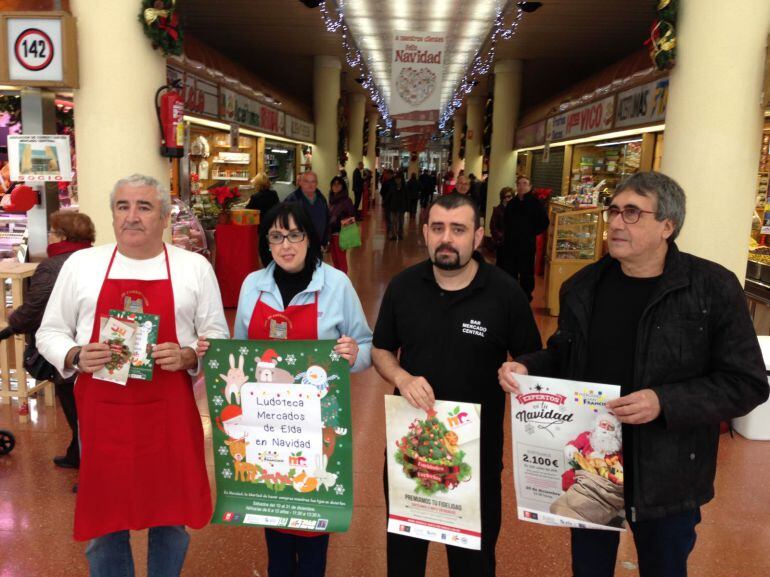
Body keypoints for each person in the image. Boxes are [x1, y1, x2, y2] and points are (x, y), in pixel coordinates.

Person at [498, 171, 769, 577]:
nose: (617, 223)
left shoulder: (711, 289)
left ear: (667, 225)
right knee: (589, 567)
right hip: (593, 465)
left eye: (632, 213)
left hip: (668, 471)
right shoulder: (582, 287)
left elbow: (747, 382)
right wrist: (528, 366)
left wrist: (664, 401)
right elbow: (565, 352)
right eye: (614, 211)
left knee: (664, 566)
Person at [36, 174, 229, 577]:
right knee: (105, 522)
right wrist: (74, 354)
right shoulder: (82, 266)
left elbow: (218, 338)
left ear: (163, 217)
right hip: (104, 416)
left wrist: (190, 354)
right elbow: (49, 332)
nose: (132, 217)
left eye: (144, 207)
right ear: (112, 215)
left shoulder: (193, 268)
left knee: (170, 518)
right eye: (123, 206)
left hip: (169, 414)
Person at [372, 193, 542, 577]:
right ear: (426, 233)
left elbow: (534, 354)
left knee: (473, 562)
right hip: (411, 450)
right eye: (438, 228)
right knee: (404, 558)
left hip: (475, 455)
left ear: (478, 236)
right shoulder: (403, 287)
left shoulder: (504, 293)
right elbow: (381, 348)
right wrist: (401, 376)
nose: (447, 238)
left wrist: (522, 368)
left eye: (459, 229)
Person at [230, 201, 372, 577]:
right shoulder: (252, 286)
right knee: (274, 531)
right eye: (276, 236)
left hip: (316, 431)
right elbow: (240, 353)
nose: (286, 245)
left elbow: (367, 347)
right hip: (267, 433)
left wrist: (353, 354)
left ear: (311, 238)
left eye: (295, 234)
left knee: (313, 533)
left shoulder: (336, 284)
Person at [0, 211, 95, 470]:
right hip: (92, 342)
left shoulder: (52, 266)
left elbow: (35, 307)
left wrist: (13, 322)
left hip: (66, 347)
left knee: (73, 403)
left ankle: (86, 460)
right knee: (87, 405)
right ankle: (77, 452)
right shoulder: (96, 258)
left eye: (52, 232)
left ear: (63, 236)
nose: (49, 236)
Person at [501, 175, 550, 302]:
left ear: (530, 186)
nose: (522, 186)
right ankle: (511, 294)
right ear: (516, 186)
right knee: (510, 270)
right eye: (519, 183)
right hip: (511, 244)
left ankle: (525, 296)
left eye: (525, 183)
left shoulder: (536, 203)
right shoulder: (512, 203)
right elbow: (505, 221)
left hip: (527, 244)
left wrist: (531, 232)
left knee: (526, 271)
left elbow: (544, 222)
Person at [285, 171, 330, 249]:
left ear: (316, 183)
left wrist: (325, 241)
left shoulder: (321, 199)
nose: (310, 185)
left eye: (313, 182)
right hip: (298, 245)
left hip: (318, 245)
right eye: (306, 181)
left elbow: (327, 220)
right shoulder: (292, 200)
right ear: (300, 182)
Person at [327, 176, 356, 274]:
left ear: (343, 186)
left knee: (341, 260)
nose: (336, 186)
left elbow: (351, 216)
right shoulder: (331, 200)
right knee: (335, 259)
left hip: (341, 234)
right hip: (332, 233)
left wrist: (338, 221)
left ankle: (344, 281)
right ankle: (338, 280)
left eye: (338, 184)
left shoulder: (346, 200)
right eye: (333, 184)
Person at [489, 187, 513, 266]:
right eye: (507, 196)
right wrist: (501, 237)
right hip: (502, 242)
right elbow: (493, 226)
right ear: (503, 198)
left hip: (512, 241)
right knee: (501, 264)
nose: (510, 198)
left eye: (511, 196)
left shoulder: (514, 209)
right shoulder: (497, 210)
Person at [384, 170, 407, 241]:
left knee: (401, 221)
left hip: (401, 207)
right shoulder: (392, 187)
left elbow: (407, 197)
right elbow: (389, 195)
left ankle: (400, 234)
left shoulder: (404, 188)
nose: (397, 180)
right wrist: (385, 203)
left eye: (399, 179)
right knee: (394, 221)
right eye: (396, 179)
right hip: (393, 206)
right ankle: (393, 235)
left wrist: (407, 206)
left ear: (401, 179)